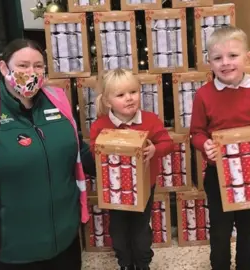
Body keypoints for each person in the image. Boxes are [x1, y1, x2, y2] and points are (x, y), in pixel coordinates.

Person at [0, 39, 95, 270]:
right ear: (4, 68)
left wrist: (111, 159)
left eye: (38, 66)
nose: (31, 72)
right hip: (10, 247)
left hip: (63, 238)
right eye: (23, 66)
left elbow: (77, 148)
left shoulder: (58, 99)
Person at [189, 26, 250, 270]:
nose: (226, 63)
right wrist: (205, 145)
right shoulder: (204, 95)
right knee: (220, 232)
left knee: (248, 230)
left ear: (248, 57)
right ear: (209, 62)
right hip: (217, 175)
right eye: (217, 58)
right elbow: (196, 132)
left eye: (233, 56)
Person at [89, 68, 174, 270]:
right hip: (114, 189)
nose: (129, 98)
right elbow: (94, 149)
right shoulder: (100, 125)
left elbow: (167, 144)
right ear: (108, 101)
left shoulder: (150, 120)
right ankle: (125, 262)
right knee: (118, 228)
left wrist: (155, 148)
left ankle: (143, 262)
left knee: (140, 227)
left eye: (133, 92)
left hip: (144, 186)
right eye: (121, 95)